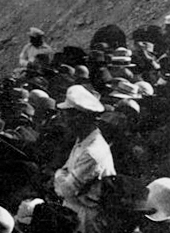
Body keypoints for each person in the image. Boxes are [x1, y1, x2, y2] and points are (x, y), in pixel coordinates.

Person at [53, 85, 115, 233]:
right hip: (75, 210)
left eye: (66, 114)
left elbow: (66, 190)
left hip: (85, 219)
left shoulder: (92, 151)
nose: (62, 118)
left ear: (79, 117)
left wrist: (58, 176)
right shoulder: (84, 140)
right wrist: (63, 176)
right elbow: (66, 174)